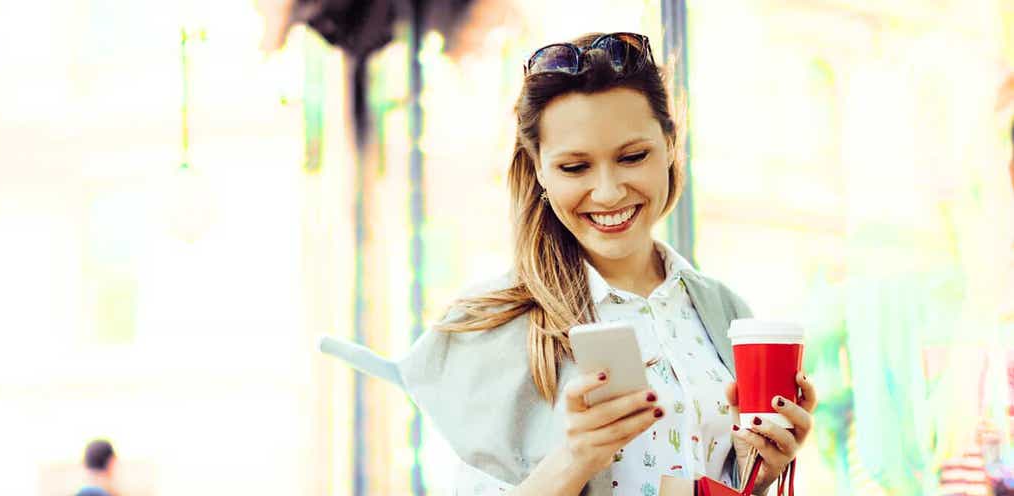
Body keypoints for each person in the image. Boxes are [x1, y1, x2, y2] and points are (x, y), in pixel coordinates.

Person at [322, 31, 816, 495]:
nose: (607, 191)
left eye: (632, 156)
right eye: (575, 167)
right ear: (538, 169)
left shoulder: (723, 309)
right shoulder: (490, 326)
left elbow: (720, 474)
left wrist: (761, 467)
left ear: (669, 145)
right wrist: (575, 458)